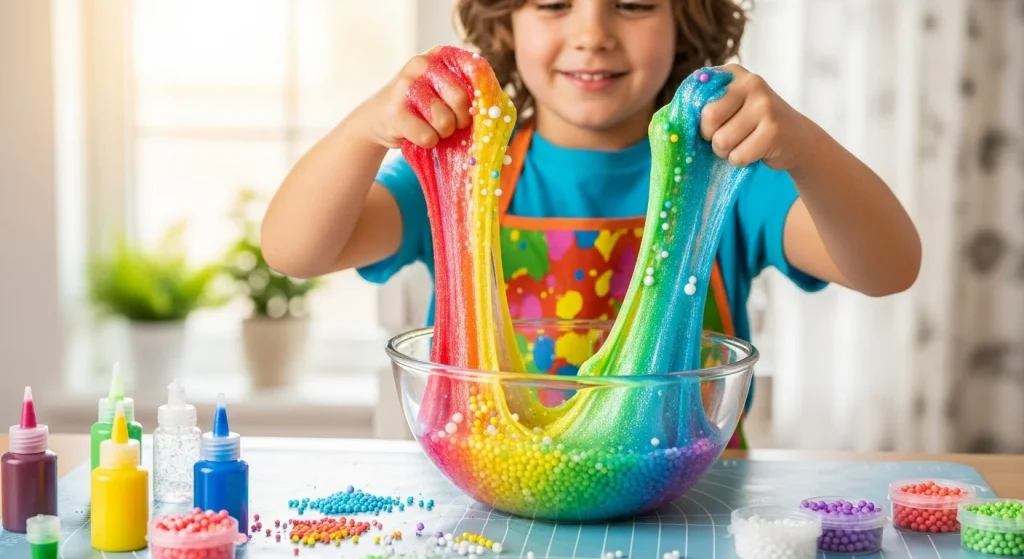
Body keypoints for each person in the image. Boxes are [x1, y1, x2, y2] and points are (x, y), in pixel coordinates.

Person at [261, 0, 921, 448]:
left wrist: (803, 147)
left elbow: (889, 267)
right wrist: (365, 129)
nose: (593, 31)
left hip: (692, 507)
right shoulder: (462, 178)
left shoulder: (728, 178)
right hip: (498, 509)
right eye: (552, 2)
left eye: (633, 2)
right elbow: (294, 249)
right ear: (506, 21)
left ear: (686, 17)